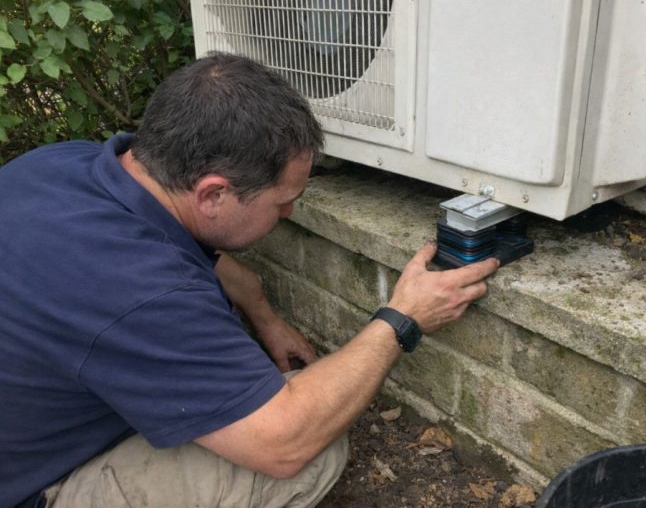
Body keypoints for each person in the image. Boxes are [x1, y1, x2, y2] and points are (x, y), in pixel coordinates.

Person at [0, 54, 499, 508]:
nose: (291, 210)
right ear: (213, 194)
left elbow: (168, 243)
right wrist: (403, 318)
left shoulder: (61, 165)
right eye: (283, 201)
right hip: (30, 487)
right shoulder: (147, 296)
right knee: (313, 454)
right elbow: (282, 445)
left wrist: (261, 310)